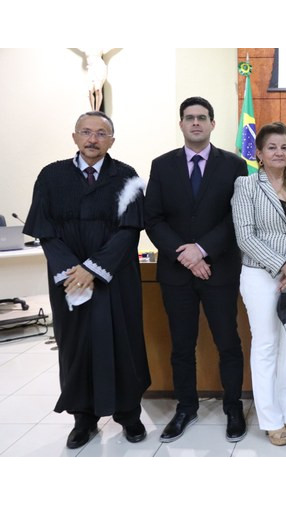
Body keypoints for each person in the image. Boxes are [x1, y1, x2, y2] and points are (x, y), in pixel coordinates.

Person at [23, 111, 150, 449]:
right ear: (75, 136)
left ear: (112, 140)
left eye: (101, 133)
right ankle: (84, 418)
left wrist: (92, 268)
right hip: (69, 282)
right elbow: (45, 231)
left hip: (115, 277)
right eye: (86, 132)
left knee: (123, 342)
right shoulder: (51, 177)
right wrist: (73, 271)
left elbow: (129, 230)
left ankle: (129, 414)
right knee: (76, 345)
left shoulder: (127, 177)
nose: (93, 139)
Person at [144, 96, 247, 443]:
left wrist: (202, 250)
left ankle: (233, 406)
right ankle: (186, 407)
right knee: (181, 346)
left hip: (219, 270)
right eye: (189, 118)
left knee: (228, 342)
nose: (196, 123)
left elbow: (236, 217)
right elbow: (153, 218)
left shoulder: (234, 165)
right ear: (181, 124)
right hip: (176, 272)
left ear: (213, 124)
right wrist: (185, 254)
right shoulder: (162, 165)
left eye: (202, 117)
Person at [231, 122, 286, 446]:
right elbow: (245, 236)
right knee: (266, 346)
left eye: (284, 147)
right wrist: (283, 265)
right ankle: (270, 418)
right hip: (261, 275)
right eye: (272, 147)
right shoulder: (246, 185)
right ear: (259, 154)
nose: (280, 153)